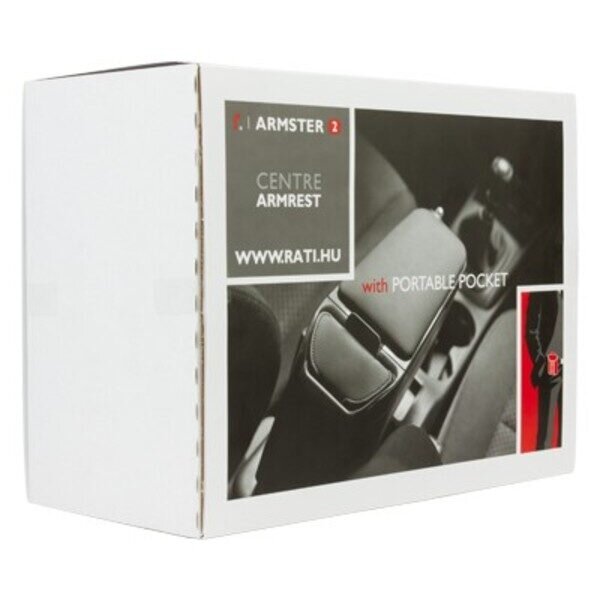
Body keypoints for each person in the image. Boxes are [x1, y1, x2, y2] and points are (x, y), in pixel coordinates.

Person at [526, 290, 563, 450]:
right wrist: (542, 362)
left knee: (569, 435)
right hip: (551, 369)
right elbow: (531, 330)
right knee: (544, 439)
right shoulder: (542, 289)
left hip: (575, 368)